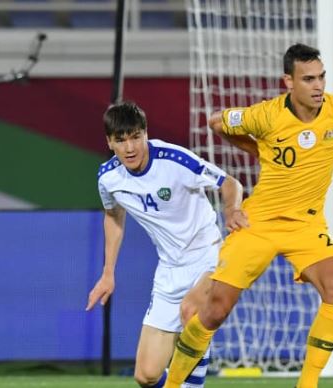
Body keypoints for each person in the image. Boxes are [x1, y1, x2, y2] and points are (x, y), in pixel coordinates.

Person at [163, 43, 333, 388]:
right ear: (288, 82)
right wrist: (258, 147)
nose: (318, 86)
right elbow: (217, 122)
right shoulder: (266, 115)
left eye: (321, 77)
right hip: (259, 222)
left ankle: (307, 385)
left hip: (307, 225)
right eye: (308, 79)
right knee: (215, 310)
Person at [86, 102, 248, 388]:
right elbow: (113, 216)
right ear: (109, 142)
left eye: (136, 136)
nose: (130, 147)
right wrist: (108, 272)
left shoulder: (174, 160)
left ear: (145, 134)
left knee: (191, 313)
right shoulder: (108, 179)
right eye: (121, 140)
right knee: (146, 376)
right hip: (169, 269)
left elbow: (230, 183)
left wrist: (232, 211)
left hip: (209, 255)